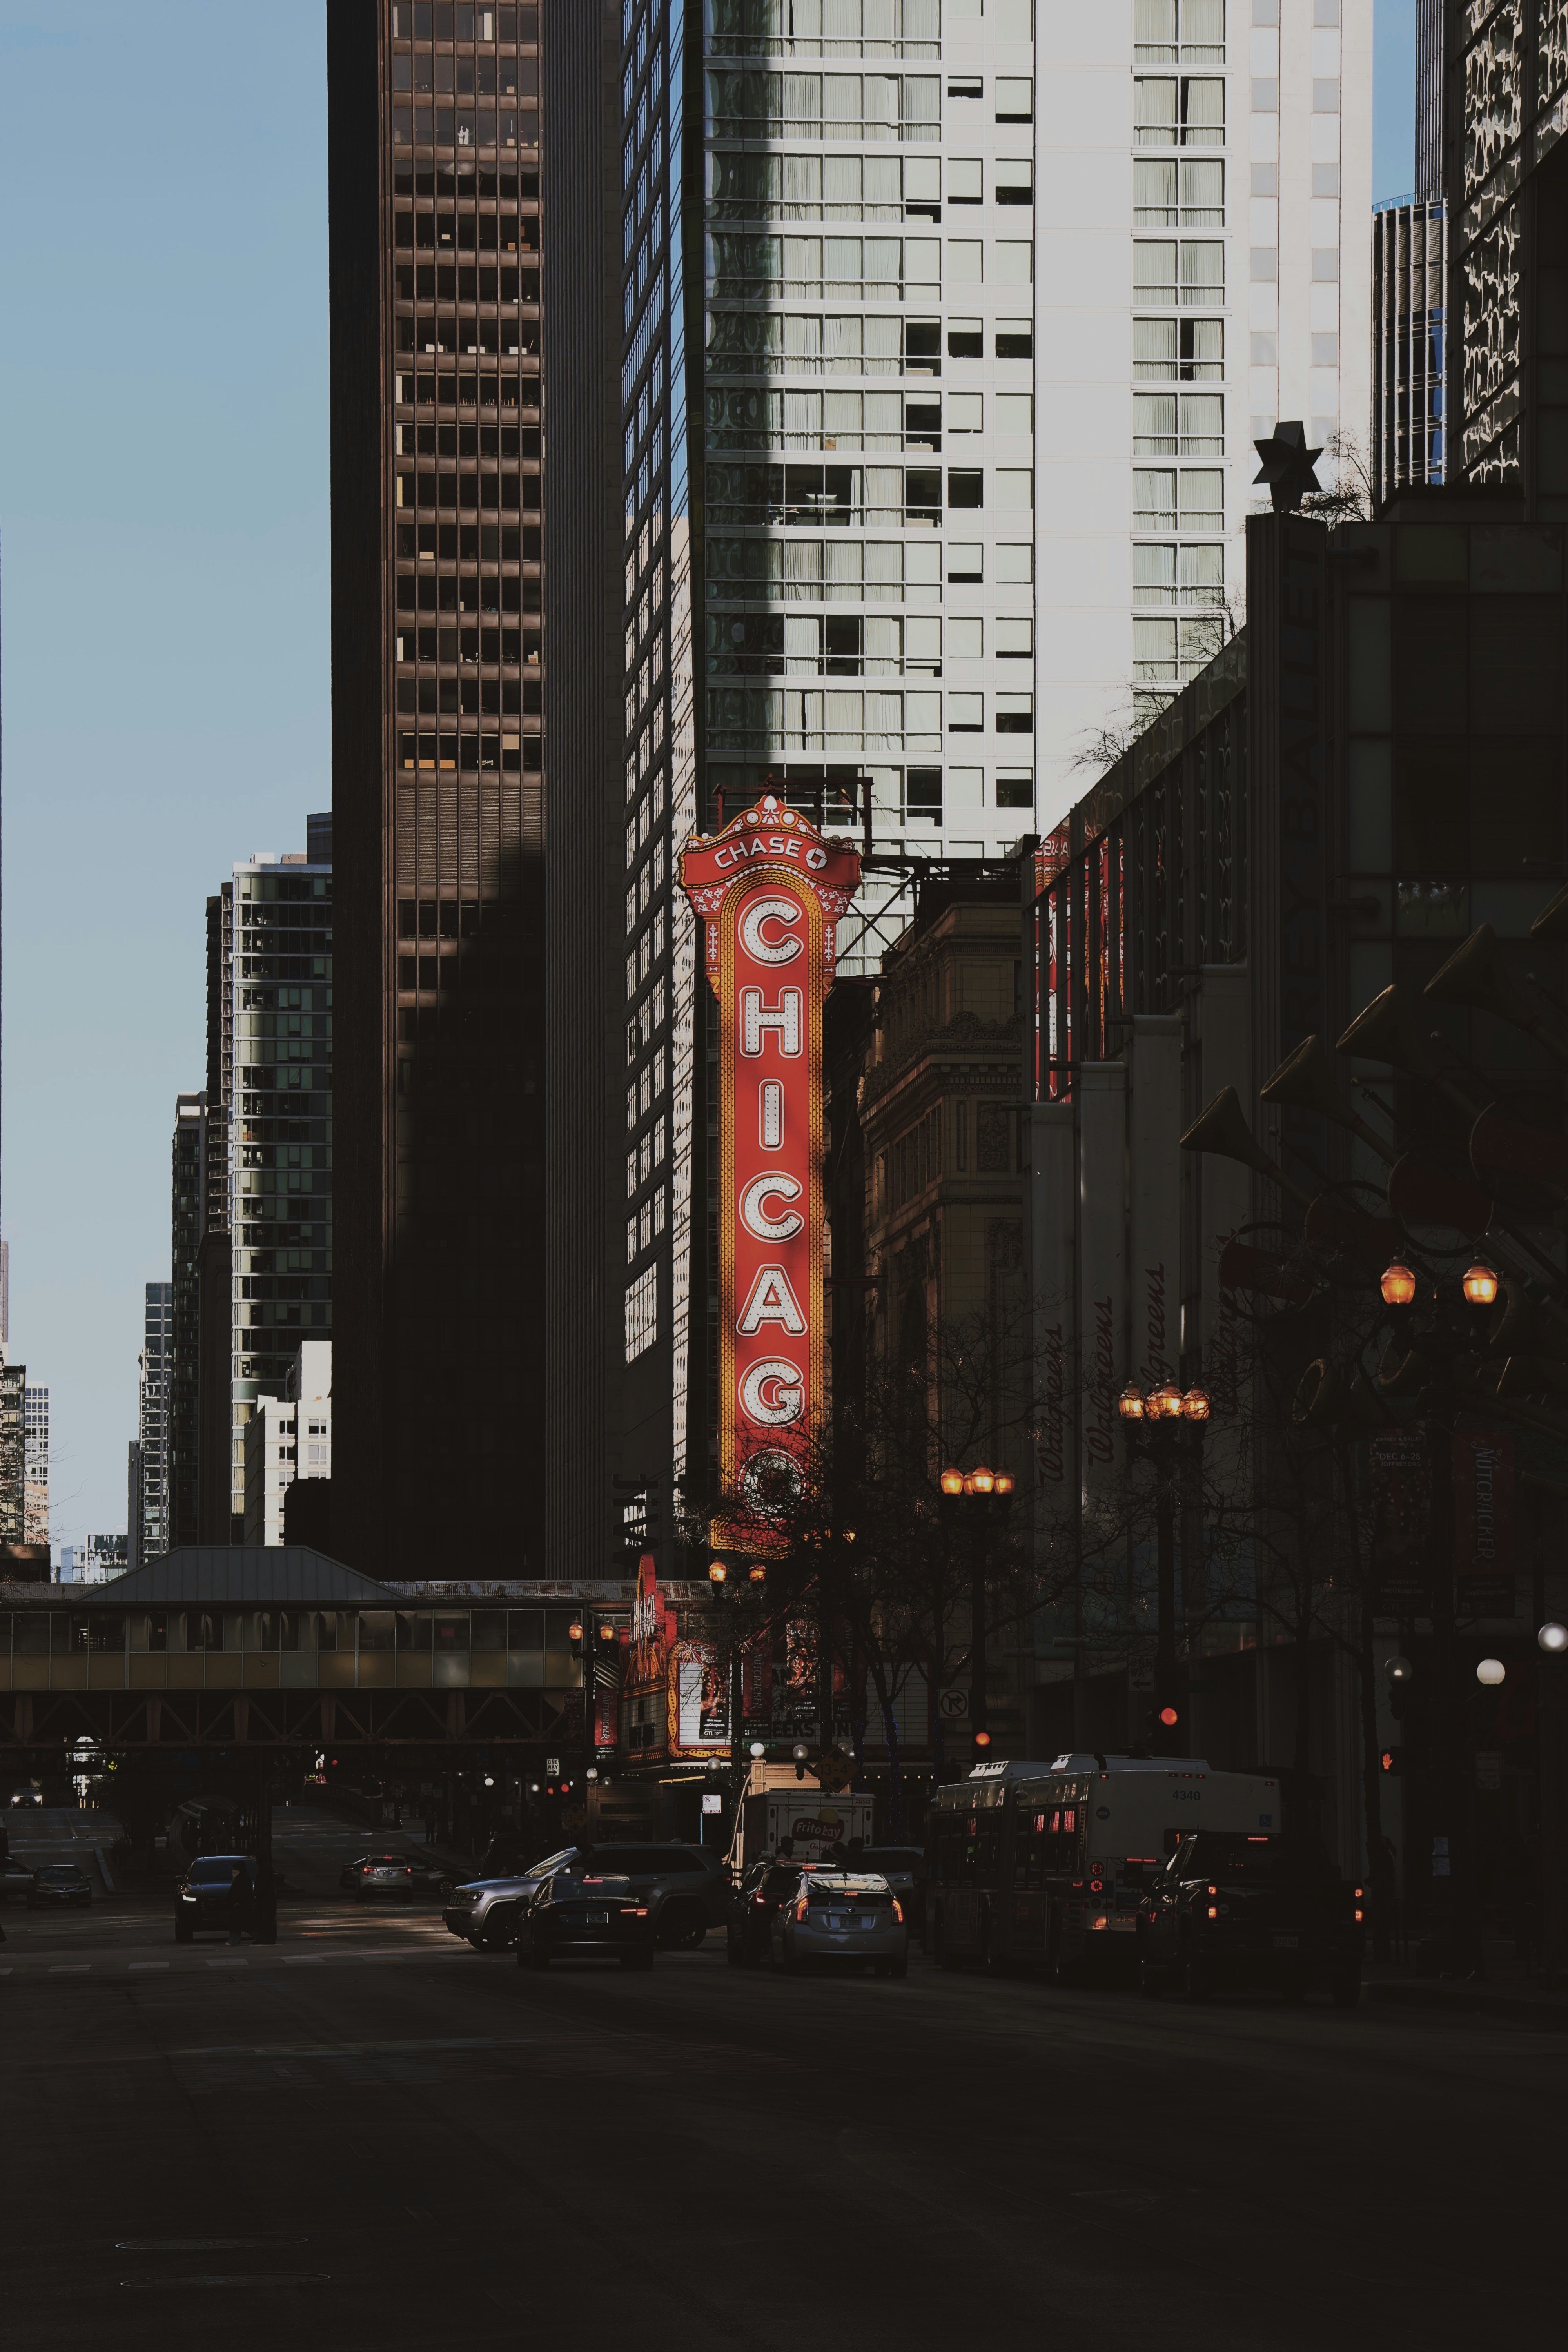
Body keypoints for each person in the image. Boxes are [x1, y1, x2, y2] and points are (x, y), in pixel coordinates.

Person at [227, 1862, 253, 1947]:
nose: (234, 1871)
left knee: (236, 1924)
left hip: (239, 1905)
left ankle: (234, 1941)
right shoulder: (240, 1878)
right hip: (237, 1904)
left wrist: (239, 1902)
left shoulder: (244, 1878)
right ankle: (234, 1941)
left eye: (236, 1869)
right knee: (236, 1924)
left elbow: (243, 1892)